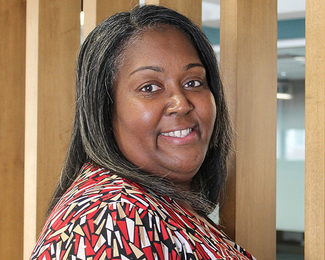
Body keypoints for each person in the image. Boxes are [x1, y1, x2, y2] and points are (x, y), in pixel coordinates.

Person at [30, 5, 255, 260]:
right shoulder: (111, 218)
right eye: (149, 87)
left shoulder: (159, 206)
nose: (181, 103)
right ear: (105, 108)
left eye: (193, 82)